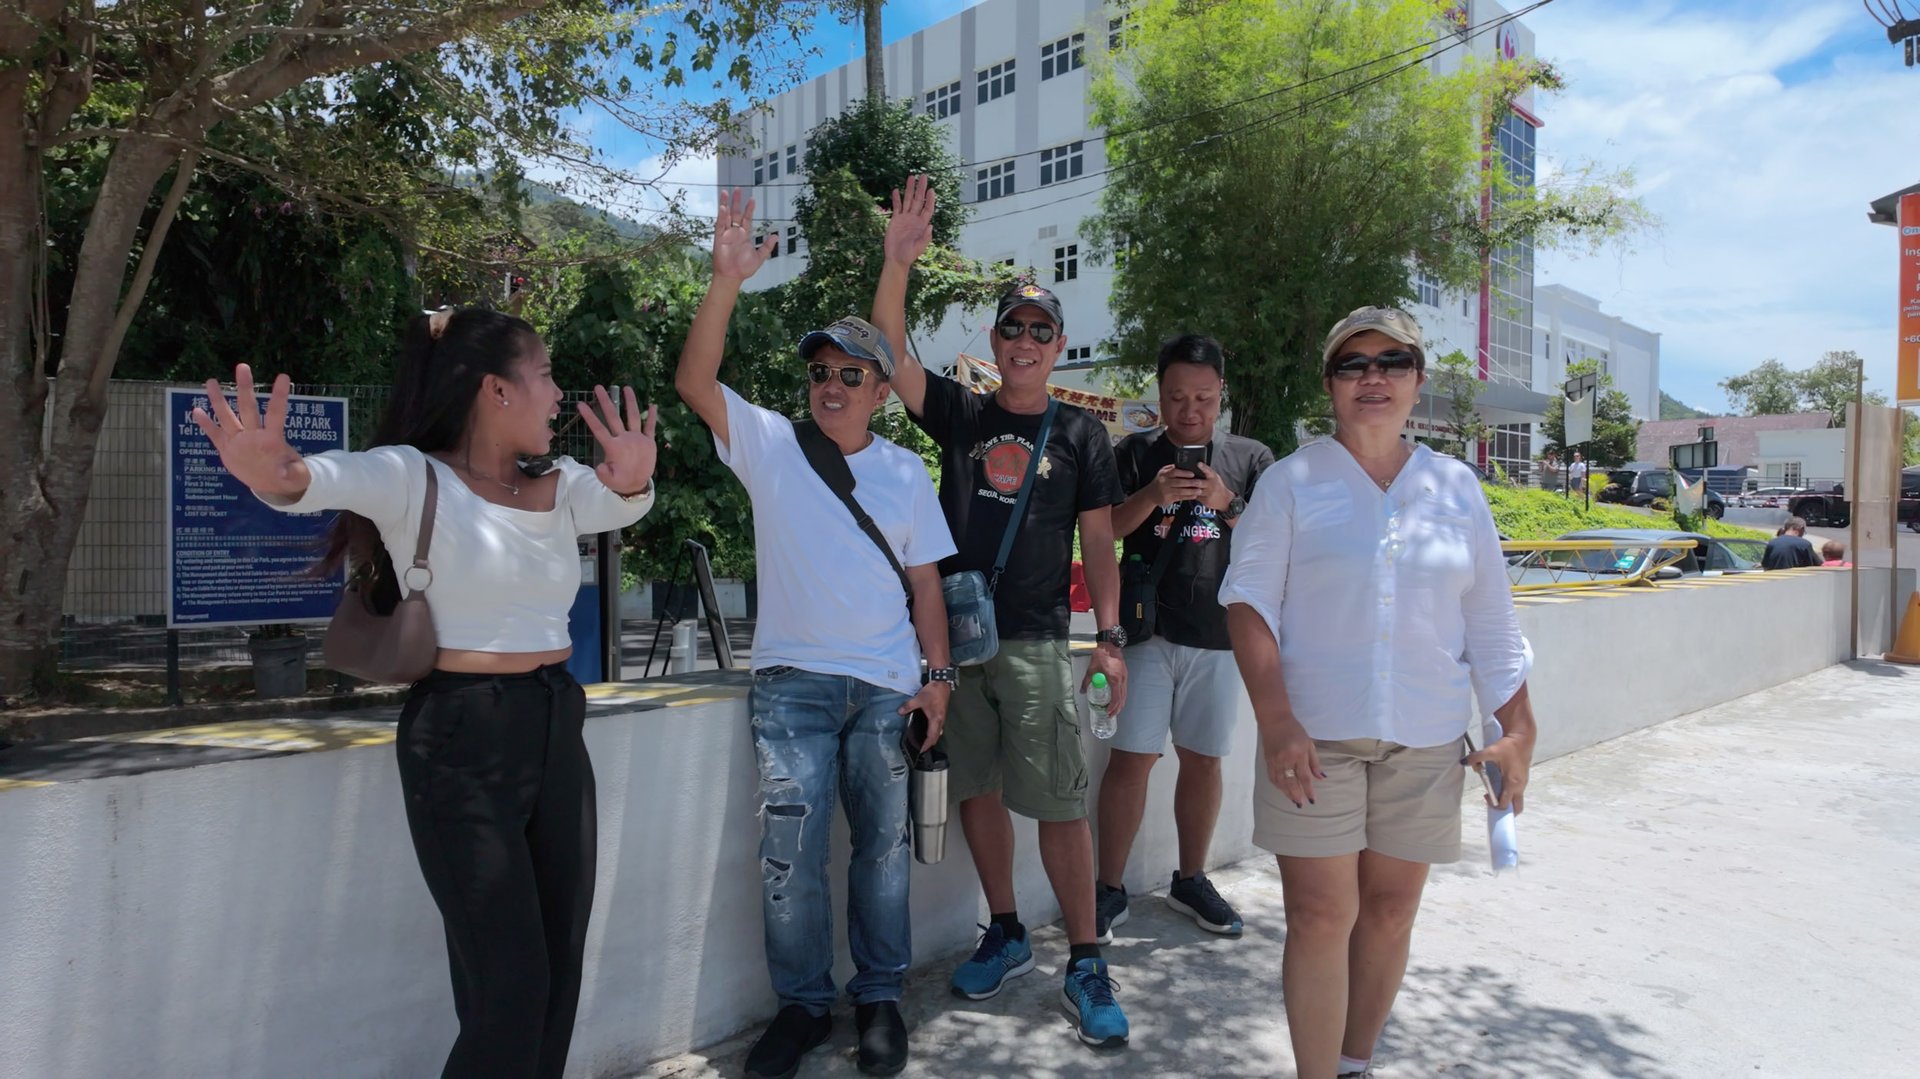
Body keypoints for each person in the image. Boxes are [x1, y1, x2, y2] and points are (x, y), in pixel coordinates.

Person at [192, 311, 659, 1078]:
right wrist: (273, 472)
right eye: (545, 376)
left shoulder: (562, 487)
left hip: (554, 722)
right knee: (510, 988)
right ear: (497, 390)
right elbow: (315, 480)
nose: (556, 395)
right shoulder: (413, 476)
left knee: (557, 969)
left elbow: (621, 500)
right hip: (460, 738)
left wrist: (634, 474)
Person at [674, 189, 958, 1079]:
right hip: (790, 685)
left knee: (882, 850)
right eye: (820, 372)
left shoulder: (907, 472)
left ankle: (879, 998)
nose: (830, 385)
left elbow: (926, 586)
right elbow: (694, 383)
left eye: (850, 374)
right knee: (788, 855)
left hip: (885, 688)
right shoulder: (771, 444)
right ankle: (801, 1006)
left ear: (881, 390)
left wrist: (939, 677)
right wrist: (725, 283)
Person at [1218, 306, 1536, 1079]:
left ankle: (1355, 1061)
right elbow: (1248, 605)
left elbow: (1492, 621)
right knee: (1321, 913)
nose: (1373, 377)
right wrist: (1276, 720)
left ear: (1418, 380)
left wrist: (1518, 730)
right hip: (1313, 740)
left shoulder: (1457, 487)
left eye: (1392, 362)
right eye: (1353, 363)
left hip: (1426, 737)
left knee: (1391, 912)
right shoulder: (1291, 483)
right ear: (1329, 383)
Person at [872, 175, 1132, 1048]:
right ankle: (1008, 929)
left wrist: (1109, 638)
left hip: (1038, 642)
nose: (1024, 341)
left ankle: (1087, 960)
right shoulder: (961, 414)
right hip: (958, 642)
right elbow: (889, 356)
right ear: (994, 340)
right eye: (1012, 328)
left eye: (1040, 330)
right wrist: (897, 262)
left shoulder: (1083, 435)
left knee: (1058, 802)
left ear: (1059, 345)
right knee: (978, 789)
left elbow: (1100, 545)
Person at [1095, 334, 1274, 941]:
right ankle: (1108, 888)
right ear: (1160, 394)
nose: (1189, 409)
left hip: (1220, 635)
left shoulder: (1251, 457)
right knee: (1131, 759)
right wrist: (1152, 495)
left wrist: (1227, 502)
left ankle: (1191, 879)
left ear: (1221, 393)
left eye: (1202, 396)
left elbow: (1273, 541)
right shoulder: (1133, 452)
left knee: (1203, 760)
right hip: (1145, 634)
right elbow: (1104, 531)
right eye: (1176, 396)